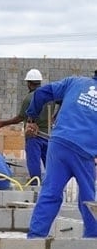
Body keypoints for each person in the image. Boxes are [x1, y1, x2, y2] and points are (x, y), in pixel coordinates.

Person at [25, 73, 97, 238]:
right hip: (84, 151)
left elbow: (41, 93)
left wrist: (32, 119)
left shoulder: (74, 82)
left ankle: (35, 238)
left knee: (50, 192)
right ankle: (92, 240)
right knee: (88, 198)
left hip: (59, 144)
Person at [0, 69, 51, 184]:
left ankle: (35, 183)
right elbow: (62, 101)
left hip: (34, 135)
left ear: (29, 83)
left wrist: (2, 123)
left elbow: (20, 118)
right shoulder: (49, 96)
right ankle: (51, 183)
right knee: (49, 162)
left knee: (33, 161)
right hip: (48, 135)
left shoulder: (30, 98)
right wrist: (55, 116)